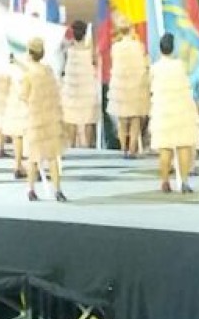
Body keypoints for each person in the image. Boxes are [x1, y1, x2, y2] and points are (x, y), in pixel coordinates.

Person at [147, 33, 199, 194]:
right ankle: (183, 181)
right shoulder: (181, 65)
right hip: (182, 109)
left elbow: (149, 86)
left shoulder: (155, 68)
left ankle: (164, 181)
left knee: (165, 149)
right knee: (184, 145)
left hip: (163, 111)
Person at [21, 37, 67, 202]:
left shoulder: (28, 75)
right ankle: (58, 190)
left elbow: (24, 96)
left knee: (33, 157)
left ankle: (31, 189)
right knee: (52, 156)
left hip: (35, 118)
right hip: (50, 118)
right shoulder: (48, 71)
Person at [107, 26, 150, 159]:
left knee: (122, 119)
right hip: (136, 85)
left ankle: (123, 149)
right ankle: (132, 149)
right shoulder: (139, 46)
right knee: (136, 118)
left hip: (120, 86)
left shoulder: (116, 47)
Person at [59, 19, 101, 150]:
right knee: (88, 118)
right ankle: (87, 147)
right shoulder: (90, 50)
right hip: (87, 88)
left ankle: (71, 146)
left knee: (71, 118)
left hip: (72, 89)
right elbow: (96, 60)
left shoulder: (68, 49)